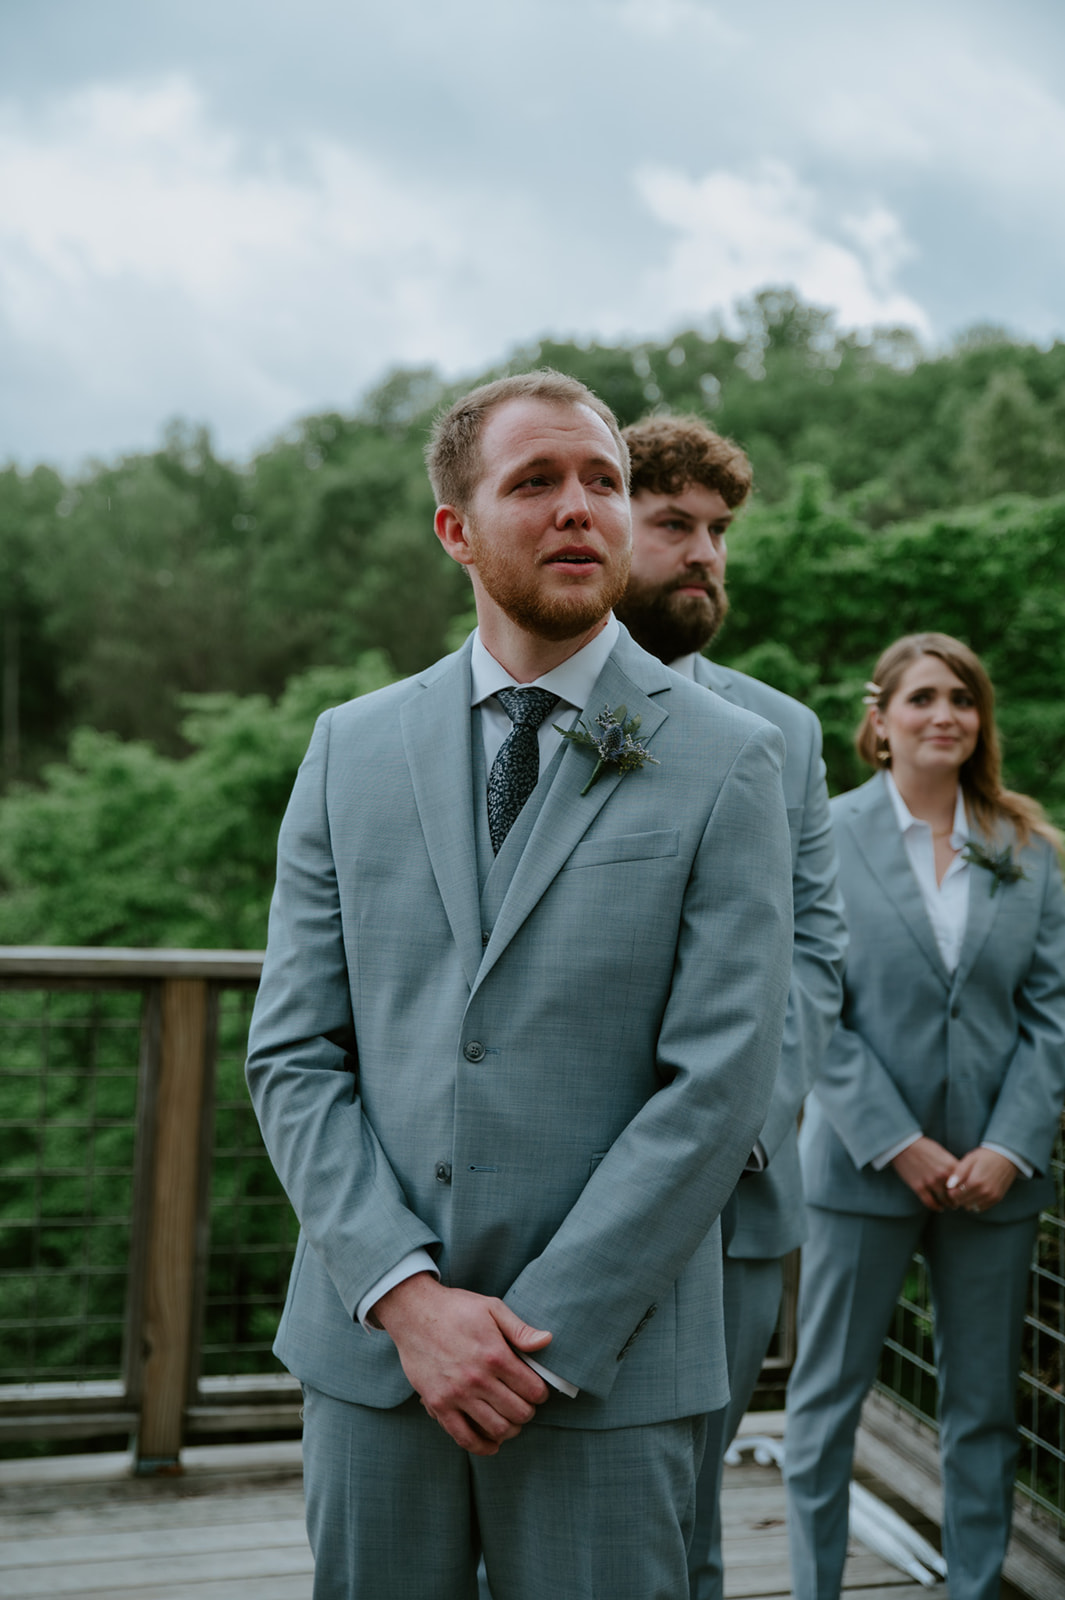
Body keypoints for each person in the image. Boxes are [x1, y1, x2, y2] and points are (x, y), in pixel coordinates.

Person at [246, 369, 795, 1600]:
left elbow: (718, 1086)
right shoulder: (350, 746)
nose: (578, 508)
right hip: (375, 1357)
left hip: (607, 1364)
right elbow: (293, 1053)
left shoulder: (730, 761)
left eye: (603, 481)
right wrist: (408, 1297)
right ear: (456, 528)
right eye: (535, 481)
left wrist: (539, 1337)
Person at [614, 413, 847, 1600]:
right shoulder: (527, 718)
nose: (705, 552)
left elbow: (816, 945)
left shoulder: (785, 733)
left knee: (690, 1513)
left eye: (718, 532)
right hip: (558, 1192)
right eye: (673, 525)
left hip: (742, 1196)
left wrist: (751, 1109)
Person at [784, 631, 1065, 1600]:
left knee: (984, 1409)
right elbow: (813, 998)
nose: (945, 712)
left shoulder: (1029, 850)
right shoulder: (826, 834)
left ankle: (975, 1587)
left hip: (998, 1177)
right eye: (923, 697)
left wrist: (1010, 1146)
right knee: (824, 1402)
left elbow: (1052, 1013)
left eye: (963, 697)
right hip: (863, 1170)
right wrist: (898, 1142)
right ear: (882, 720)